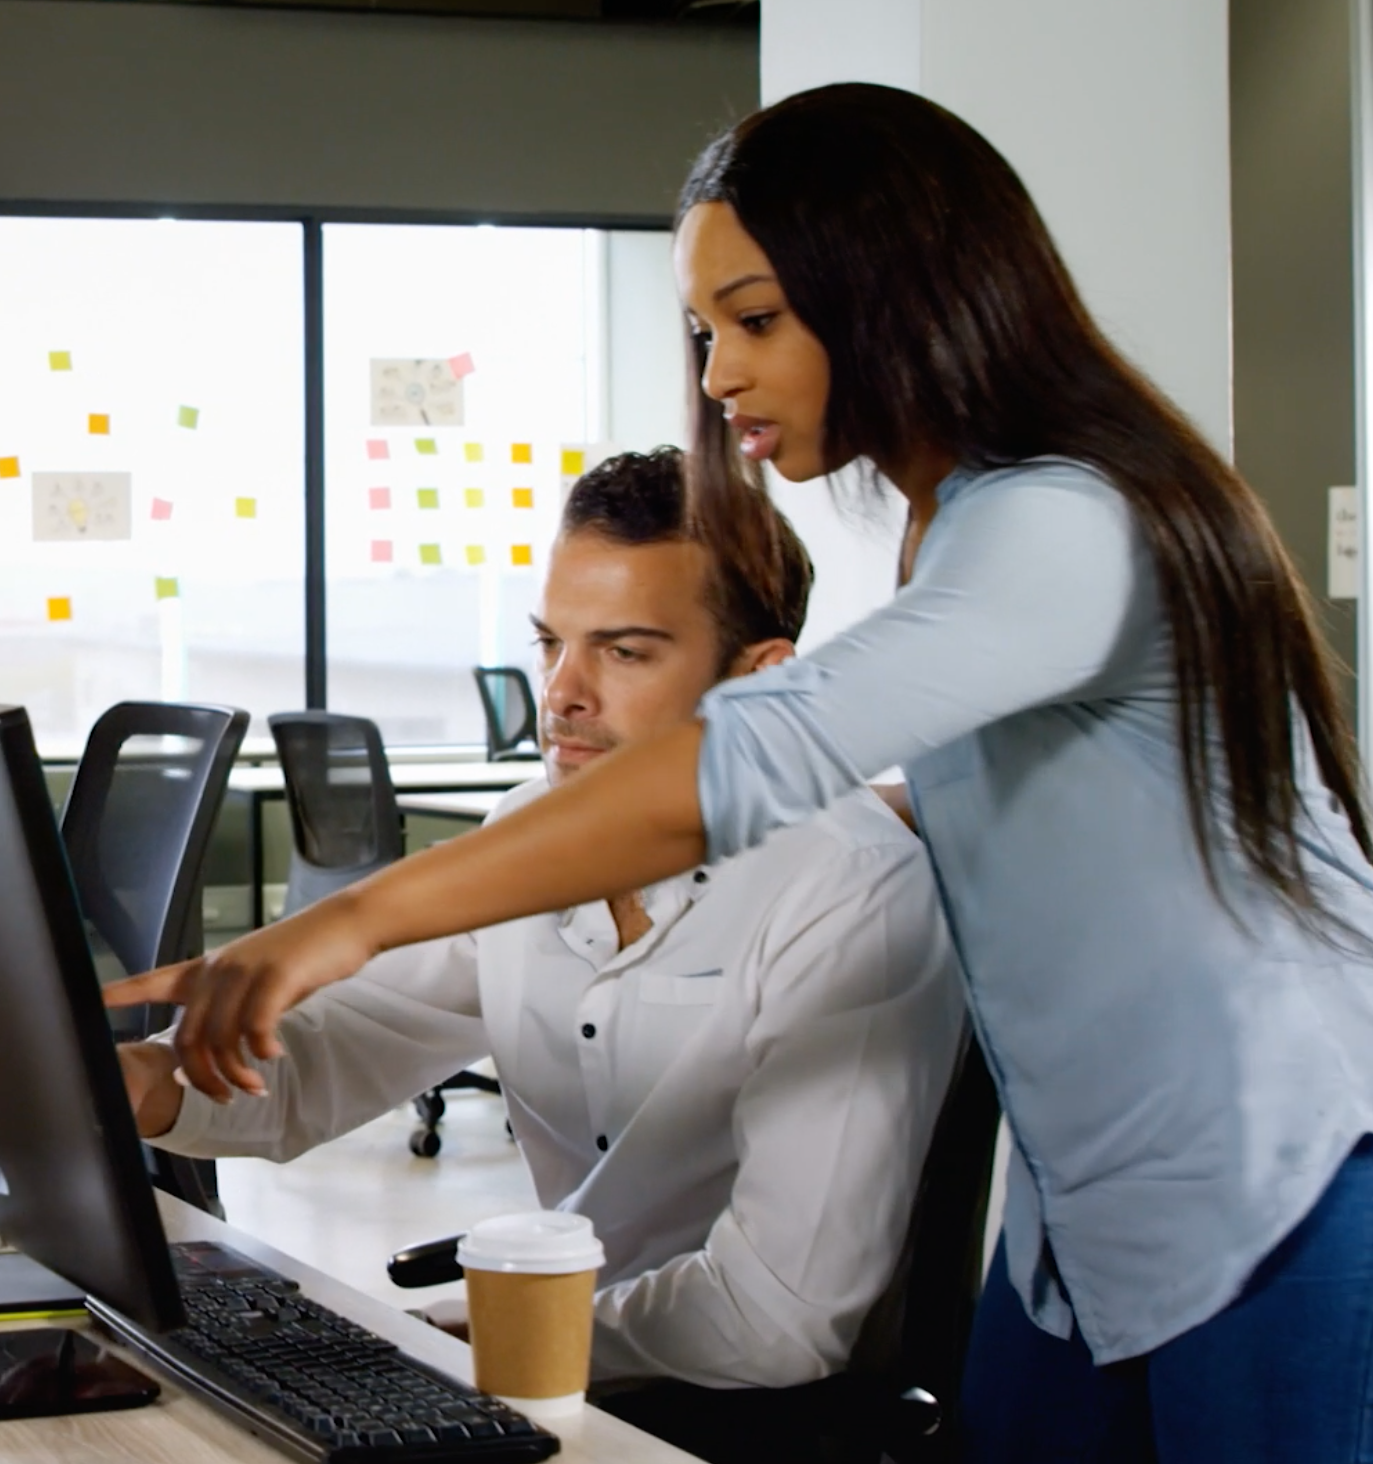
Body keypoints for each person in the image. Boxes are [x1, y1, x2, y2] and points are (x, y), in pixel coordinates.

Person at [107, 85, 1373, 1462]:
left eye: (757, 320)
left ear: (901, 285)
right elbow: (1020, 795)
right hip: (1091, 1213)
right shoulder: (956, 530)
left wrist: (341, 918)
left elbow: (748, 761)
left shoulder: (1064, 518)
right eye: (706, 331)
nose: (717, 375)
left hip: (1278, 1180)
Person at [114, 447, 964, 1459]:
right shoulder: (526, 836)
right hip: (567, 1379)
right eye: (550, 643)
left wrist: (475, 1340)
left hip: (742, 1418)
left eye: (625, 652)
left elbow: (778, 1316)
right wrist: (147, 1082)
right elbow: (338, 1051)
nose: (559, 694)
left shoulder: (848, 891)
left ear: (761, 683)